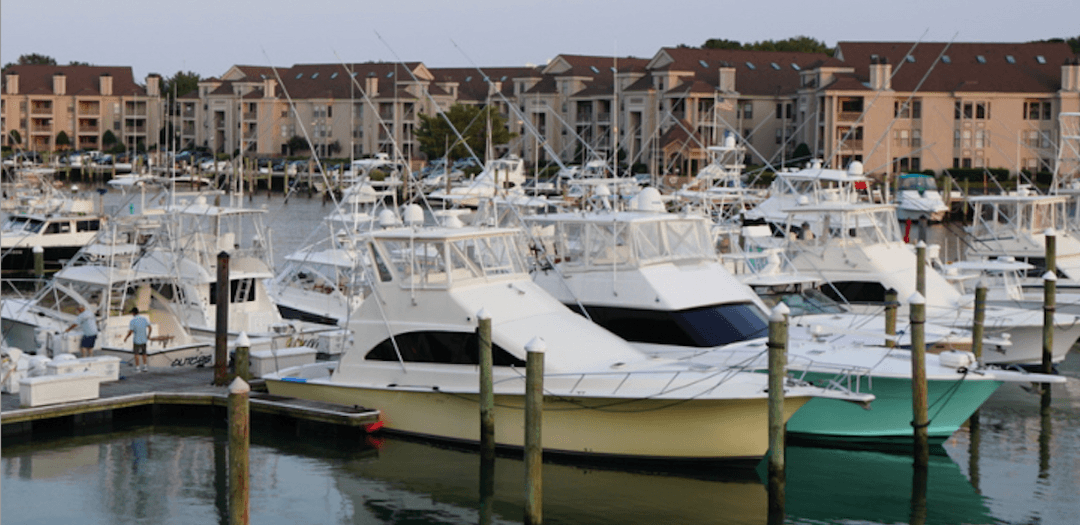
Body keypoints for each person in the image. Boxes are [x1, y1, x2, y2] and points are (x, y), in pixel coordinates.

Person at [124, 307, 152, 372]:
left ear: (133, 313)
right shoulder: (144, 319)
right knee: (144, 353)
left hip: (136, 340)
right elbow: (150, 327)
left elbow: (130, 332)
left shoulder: (132, 321)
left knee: (136, 354)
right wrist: (148, 335)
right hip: (144, 339)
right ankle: (145, 367)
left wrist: (126, 338)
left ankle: (138, 368)